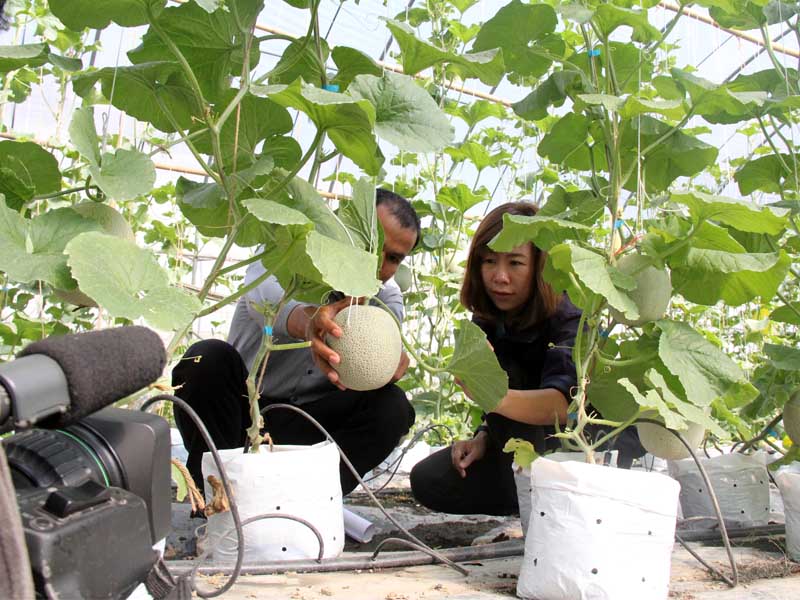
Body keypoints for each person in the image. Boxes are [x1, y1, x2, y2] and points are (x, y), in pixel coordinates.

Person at [173, 189, 420, 496]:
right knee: (205, 359)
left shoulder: (386, 297)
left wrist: (390, 364)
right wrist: (312, 324)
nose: (377, 262)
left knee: (393, 406)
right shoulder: (288, 250)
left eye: (393, 258)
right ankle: (213, 495)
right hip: (238, 414)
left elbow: (382, 346)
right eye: (371, 245)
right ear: (344, 228)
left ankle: (307, 502)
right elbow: (266, 303)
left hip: (306, 427)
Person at [409, 201, 582, 516]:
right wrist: (484, 436)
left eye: (515, 263)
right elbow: (505, 400)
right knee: (429, 479)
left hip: (571, 452)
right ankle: (525, 500)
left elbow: (563, 406)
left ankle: (543, 504)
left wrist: (493, 396)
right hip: (517, 449)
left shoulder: (567, 314)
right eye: (489, 261)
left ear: (539, 266)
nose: (500, 277)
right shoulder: (488, 316)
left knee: (505, 386)